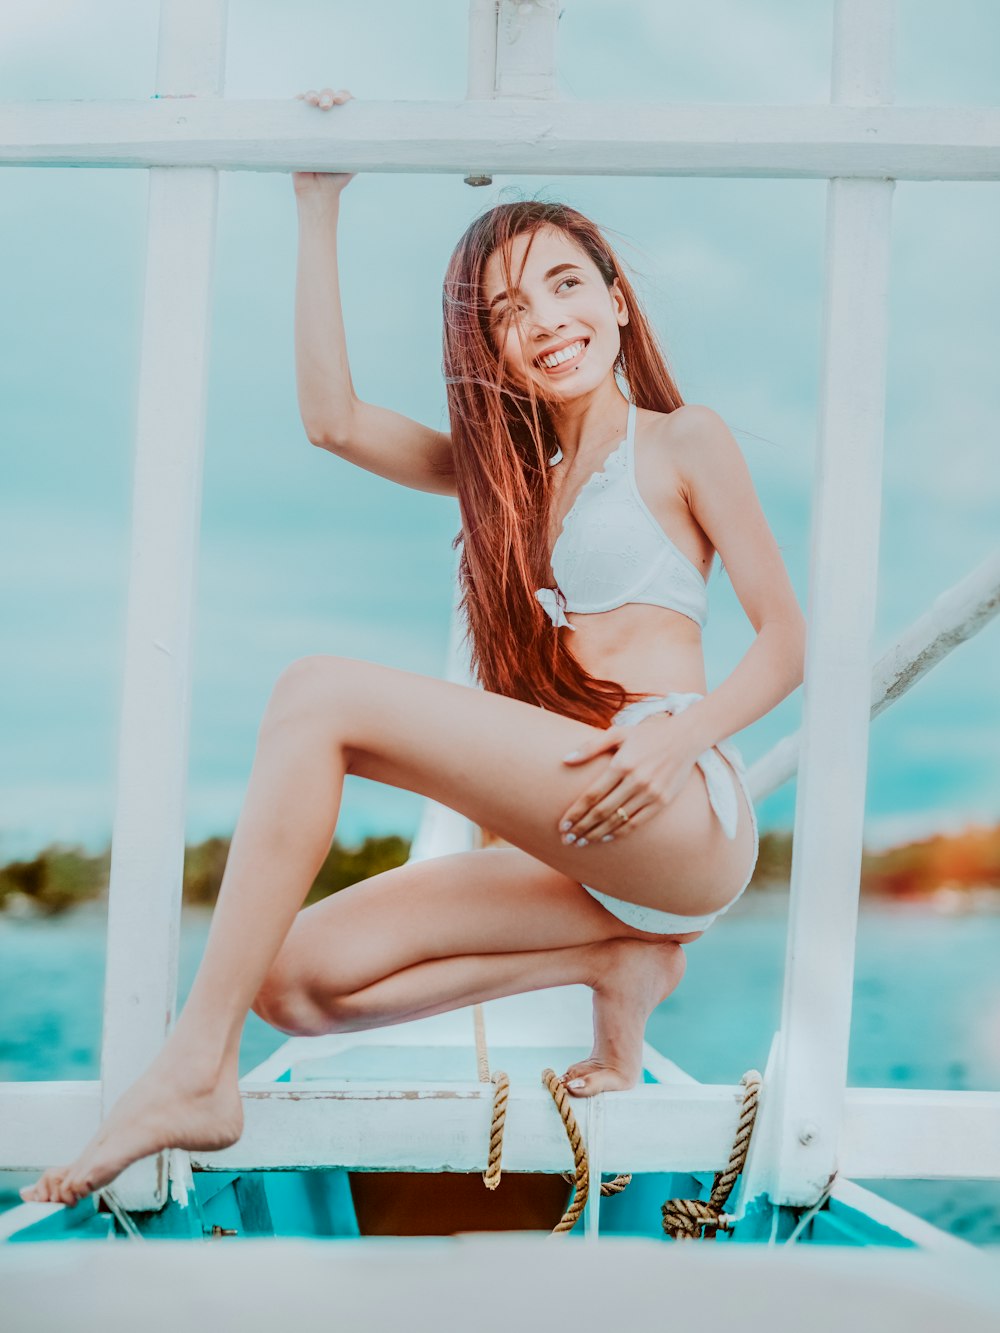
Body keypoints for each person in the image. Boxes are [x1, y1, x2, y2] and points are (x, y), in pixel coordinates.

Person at [21, 87, 805, 1207]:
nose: (543, 319)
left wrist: (684, 741)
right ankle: (612, 960)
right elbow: (333, 418)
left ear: (619, 303)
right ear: (489, 346)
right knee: (294, 982)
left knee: (315, 694)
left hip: (677, 804)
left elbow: (786, 645)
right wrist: (317, 200)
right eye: (505, 311)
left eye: (565, 283)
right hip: (590, 841)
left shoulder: (685, 440)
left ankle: (193, 1069)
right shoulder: (504, 481)